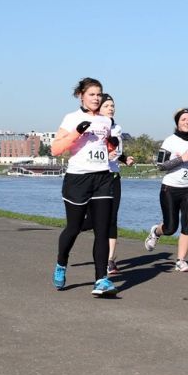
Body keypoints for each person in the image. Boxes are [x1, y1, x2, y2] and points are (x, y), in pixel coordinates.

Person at [50, 77, 118, 296]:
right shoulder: (71, 118)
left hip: (102, 177)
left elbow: (104, 146)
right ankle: (61, 263)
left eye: (99, 94)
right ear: (81, 95)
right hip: (78, 179)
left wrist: (111, 147)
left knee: (102, 229)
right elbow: (55, 149)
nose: (96, 98)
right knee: (74, 227)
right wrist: (77, 132)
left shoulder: (107, 121)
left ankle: (101, 279)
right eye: (92, 94)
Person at [144, 108, 188, 272]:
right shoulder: (170, 141)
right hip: (170, 189)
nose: (187, 122)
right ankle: (156, 231)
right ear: (177, 122)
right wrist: (181, 159)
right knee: (170, 227)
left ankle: (181, 261)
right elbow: (160, 166)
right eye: (184, 119)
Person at [81, 93, 134, 276]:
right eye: (107, 105)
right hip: (94, 176)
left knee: (112, 219)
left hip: (113, 176)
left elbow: (116, 151)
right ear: (98, 108)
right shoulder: (93, 127)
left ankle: (109, 261)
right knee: (94, 220)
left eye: (113, 105)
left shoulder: (117, 128)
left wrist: (125, 158)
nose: (111, 108)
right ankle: (77, 225)